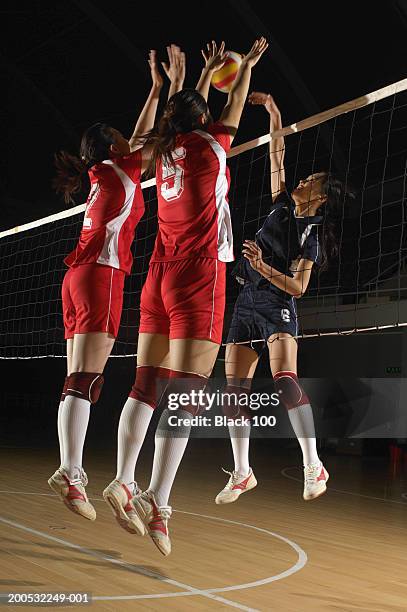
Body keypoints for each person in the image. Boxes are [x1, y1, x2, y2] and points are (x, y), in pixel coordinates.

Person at [103, 38, 268, 556]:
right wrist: (244, 70)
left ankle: (123, 480)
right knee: (188, 396)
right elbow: (235, 104)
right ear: (205, 117)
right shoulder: (213, 143)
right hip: (198, 274)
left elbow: (184, 116)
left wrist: (196, 79)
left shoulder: (161, 151)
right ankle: (159, 503)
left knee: (145, 383)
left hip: (158, 274)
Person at [48, 47, 185, 521]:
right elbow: (156, 135)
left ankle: (71, 472)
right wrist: (178, 83)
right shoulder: (119, 169)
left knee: (78, 379)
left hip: (77, 277)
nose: (131, 140)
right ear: (114, 147)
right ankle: (69, 473)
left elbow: (139, 136)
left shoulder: (104, 172)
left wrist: (153, 85)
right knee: (86, 380)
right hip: (101, 276)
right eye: (123, 139)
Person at [215, 91, 355, 505]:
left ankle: (314, 465)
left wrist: (261, 267)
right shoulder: (281, 204)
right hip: (246, 302)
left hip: (277, 305)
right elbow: (277, 154)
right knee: (232, 392)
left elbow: (298, 288)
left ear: (321, 196)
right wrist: (274, 112)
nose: (301, 180)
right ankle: (242, 471)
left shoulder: (310, 233)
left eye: (310, 180)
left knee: (284, 382)